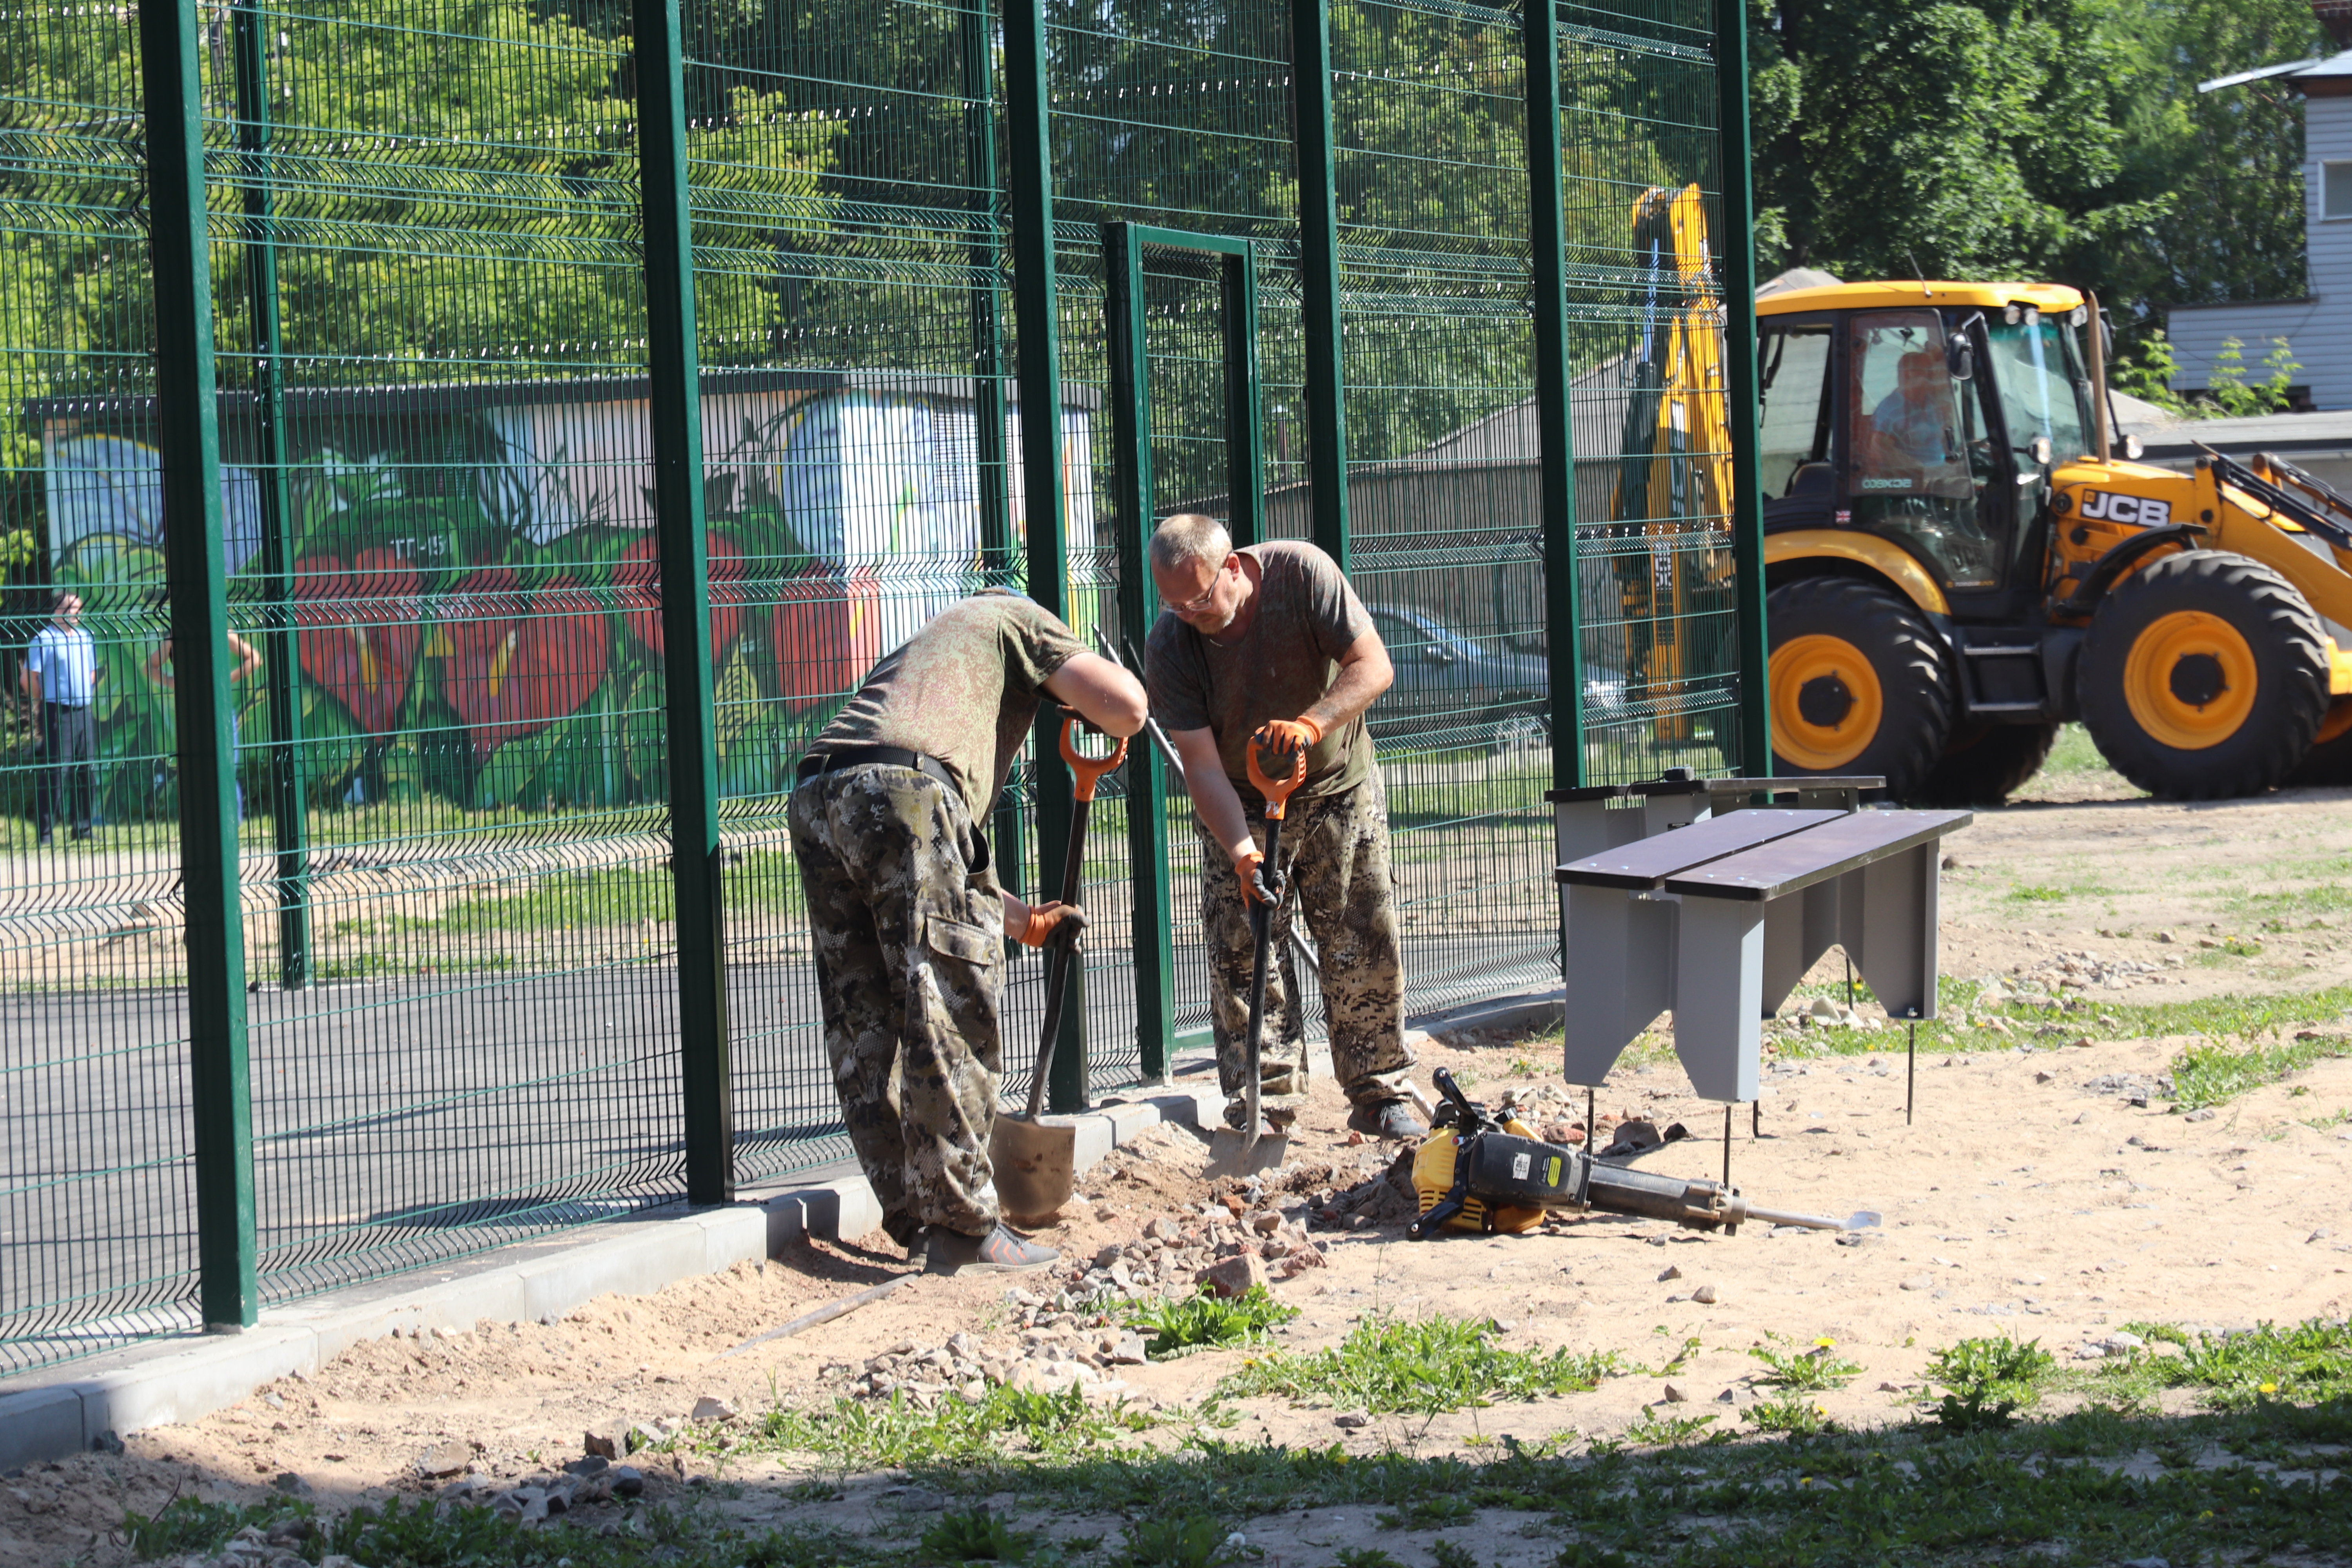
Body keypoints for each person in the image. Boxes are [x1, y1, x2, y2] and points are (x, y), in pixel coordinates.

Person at [788, 587, 1147, 1275]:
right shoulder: (1014, 617)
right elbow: (1127, 709)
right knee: (951, 1008)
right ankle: (960, 1225)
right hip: (904, 791)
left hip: (819, 795)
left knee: (867, 1015)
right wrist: (1087, 689)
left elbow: (928, 858)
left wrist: (1021, 920)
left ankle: (917, 1214)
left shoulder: (929, 654)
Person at [1142, 514, 1424, 1141]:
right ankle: (1263, 1102)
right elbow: (1202, 767)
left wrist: (1312, 724)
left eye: (1199, 598)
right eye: (1173, 603)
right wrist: (1243, 857)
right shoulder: (1170, 645)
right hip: (1241, 799)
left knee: (1361, 934)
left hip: (1335, 786)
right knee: (1243, 950)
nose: (1188, 614)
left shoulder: (1303, 575)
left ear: (1233, 570)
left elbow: (1373, 666)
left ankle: (1379, 1090)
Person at [150, 630, 263, 823]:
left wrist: (225, 681)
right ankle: (200, 820)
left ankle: (232, 821)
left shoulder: (223, 633)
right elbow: (151, 667)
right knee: (194, 768)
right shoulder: (174, 636)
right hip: (190, 710)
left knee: (226, 767)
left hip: (220, 708)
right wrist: (172, 682)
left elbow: (254, 659)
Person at [24, 591, 101, 846]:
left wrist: (83, 694)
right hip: (57, 712)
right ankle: (46, 832)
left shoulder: (84, 637)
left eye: (79, 609)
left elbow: (92, 673)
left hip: (83, 712)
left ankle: (83, 827)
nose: (78, 614)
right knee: (57, 771)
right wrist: (42, 701)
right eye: (72, 608)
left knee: (86, 770)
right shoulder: (44, 639)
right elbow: (28, 678)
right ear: (58, 610)